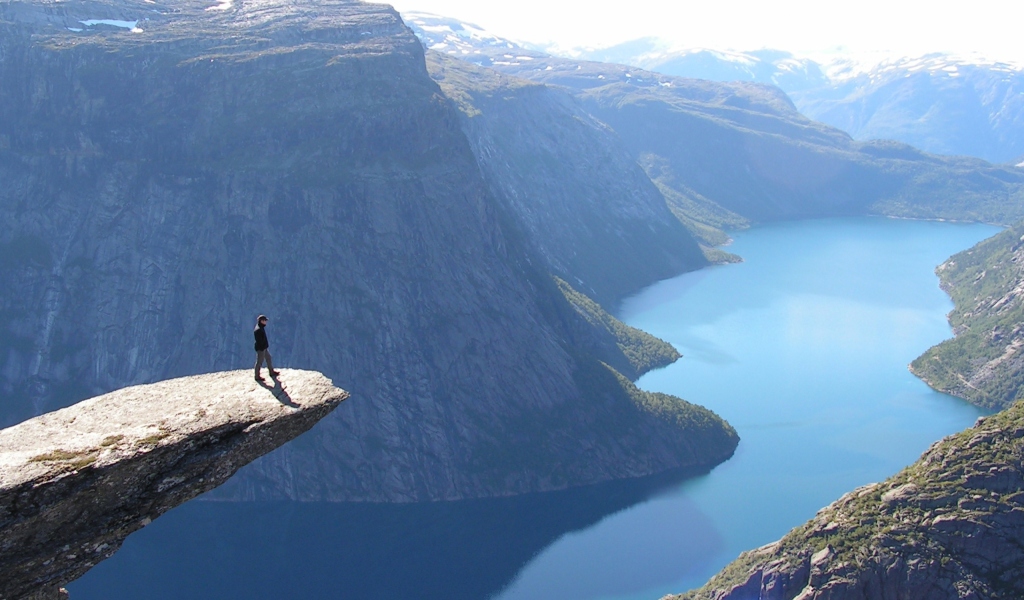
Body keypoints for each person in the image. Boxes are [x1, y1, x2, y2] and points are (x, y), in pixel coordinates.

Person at [254, 314, 279, 381]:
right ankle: (257, 376)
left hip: (264, 348)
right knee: (259, 361)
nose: (266, 322)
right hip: (261, 349)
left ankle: (271, 372)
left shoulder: (261, 327)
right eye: (265, 320)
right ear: (261, 321)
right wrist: (262, 347)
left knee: (268, 358)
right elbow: (259, 341)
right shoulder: (258, 330)